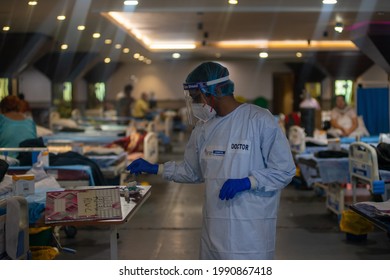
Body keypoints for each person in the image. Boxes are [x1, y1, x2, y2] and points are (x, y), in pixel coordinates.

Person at [127, 61, 296, 260]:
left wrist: (249, 182)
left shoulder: (259, 120)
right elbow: (193, 171)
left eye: (196, 98)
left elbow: (285, 170)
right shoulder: (203, 128)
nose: (195, 104)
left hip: (252, 231)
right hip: (214, 228)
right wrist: (157, 168)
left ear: (213, 91)